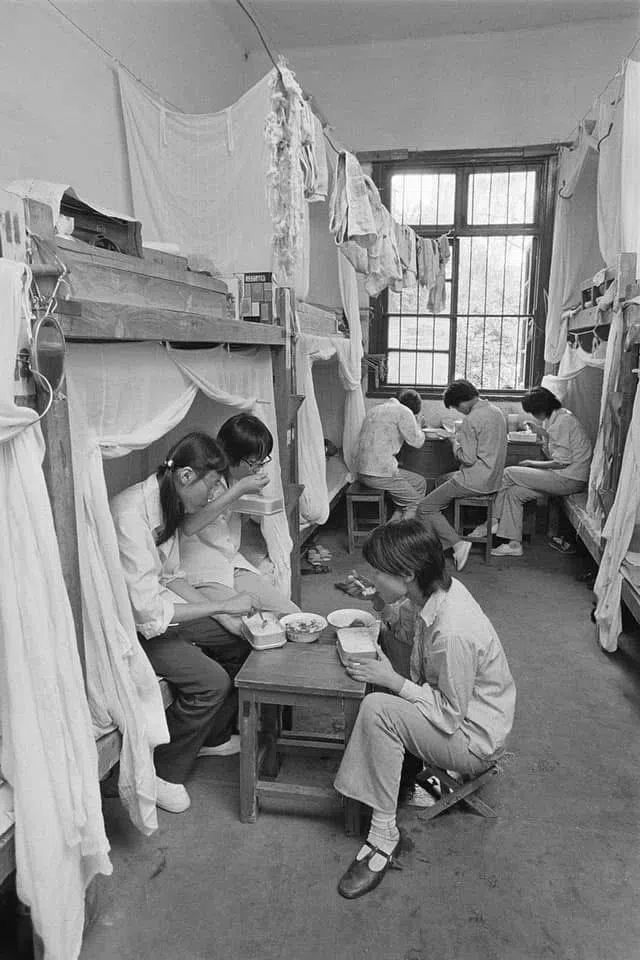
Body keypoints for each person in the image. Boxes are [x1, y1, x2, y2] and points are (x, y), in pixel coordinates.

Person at [333, 520, 516, 900]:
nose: (374, 576)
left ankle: (383, 837)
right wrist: (378, 599)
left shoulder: (454, 631)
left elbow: (450, 715)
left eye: (379, 572)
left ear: (407, 574)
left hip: (472, 741)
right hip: (457, 712)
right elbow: (410, 630)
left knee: (378, 708)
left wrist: (392, 681)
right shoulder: (437, 593)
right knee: (384, 643)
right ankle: (402, 770)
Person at [110, 432, 259, 816]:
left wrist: (222, 613)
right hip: (130, 626)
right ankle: (159, 771)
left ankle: (211, 734)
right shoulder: (130, 517)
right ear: (187, 476)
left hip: (157, 609)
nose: (213, 497)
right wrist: (221, 604)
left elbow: (169, 577)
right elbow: (147, 615)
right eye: (211, 487)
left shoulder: (167, 501)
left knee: (241, 639)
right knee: (212, 682)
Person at [179, 414, 299, 634]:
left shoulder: (236, 479)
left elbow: (235, 519)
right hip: (202, 568)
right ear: (231, 455)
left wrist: (250, 496)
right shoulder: (203, 477)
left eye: (263, 460)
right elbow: (188, 525)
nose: (259, 467)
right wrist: (238, 491)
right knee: (253, 626)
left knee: (292, 616)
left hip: (230, 560)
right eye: (254, 462)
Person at [469, 386, 593, 558]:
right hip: (567, 476)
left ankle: (493, 520)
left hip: (569, 479)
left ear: (541, 409)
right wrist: (542, 433)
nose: (534, 416)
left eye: (534, 412)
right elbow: (558, 451)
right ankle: (513, 545)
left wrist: (531, 464)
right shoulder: (560, 416)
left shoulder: (563, 422)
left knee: (508, 472)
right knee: (514, 493)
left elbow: (561, 462)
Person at [416, 379, 507, 571]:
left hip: (475, 479)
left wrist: (453, 441)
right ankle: (445, 536)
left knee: (424, 507)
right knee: (442, 481)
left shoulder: (472, 419)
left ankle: (456, 544)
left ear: (463, 402)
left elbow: (467, 458)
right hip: (493, 478)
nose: (460, 412)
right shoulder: (496, 412)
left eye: (458, 408)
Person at [356, 389, 427, 520]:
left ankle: (399, 518)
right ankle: (399, 533)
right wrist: (418, 423)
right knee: (417, 503)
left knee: (419, 482)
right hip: (379, 473)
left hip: (362, 470)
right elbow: (417, 442)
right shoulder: (404, 412)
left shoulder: (375, 409)